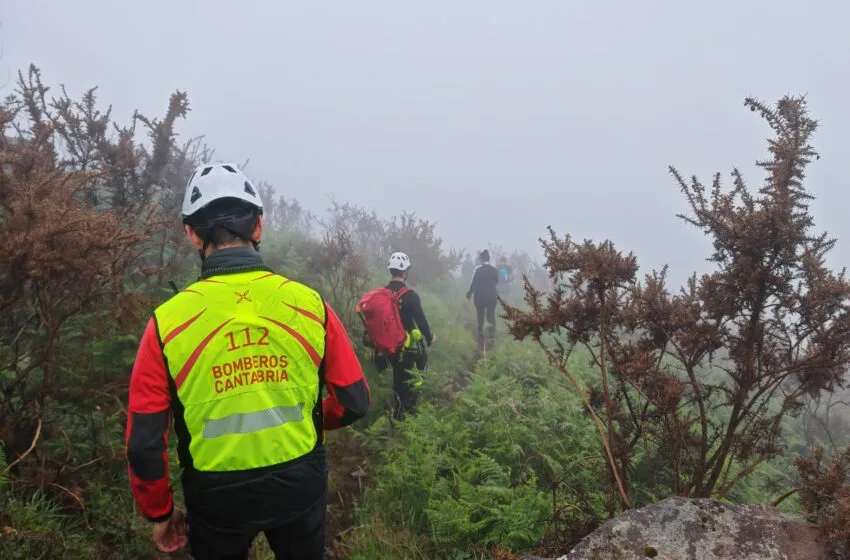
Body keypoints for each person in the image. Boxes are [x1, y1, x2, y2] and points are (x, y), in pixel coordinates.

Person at [125, 162, 370, 560]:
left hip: (216, 495)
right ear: (258, 227)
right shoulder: (310, 305)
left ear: (191, 234)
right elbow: (355, 400)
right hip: (300, 481)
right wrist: (310, 420)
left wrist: (160, 512)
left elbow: (144, 443)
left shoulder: (166, 324)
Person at [384, 252, 435, 419]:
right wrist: (430, 338)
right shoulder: (411, 295)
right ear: (405, 272)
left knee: (398, 377)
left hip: (390, 347)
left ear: (391, 270)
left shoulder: (383, 295)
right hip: (409, 347)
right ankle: (410, 413)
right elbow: (421, 322)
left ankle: (398, 412)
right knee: (416, 377)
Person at [466, 250, 500, 341]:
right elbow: (496, 282)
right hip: (491, 297)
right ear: (489, 259)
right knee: (491, 315)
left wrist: (468, 296)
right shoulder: (494, 270)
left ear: (481, 260)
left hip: (479, 297)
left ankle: (480, 335)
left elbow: (473, 284)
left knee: (480, 315)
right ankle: (491, 335)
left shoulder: (478, 271)